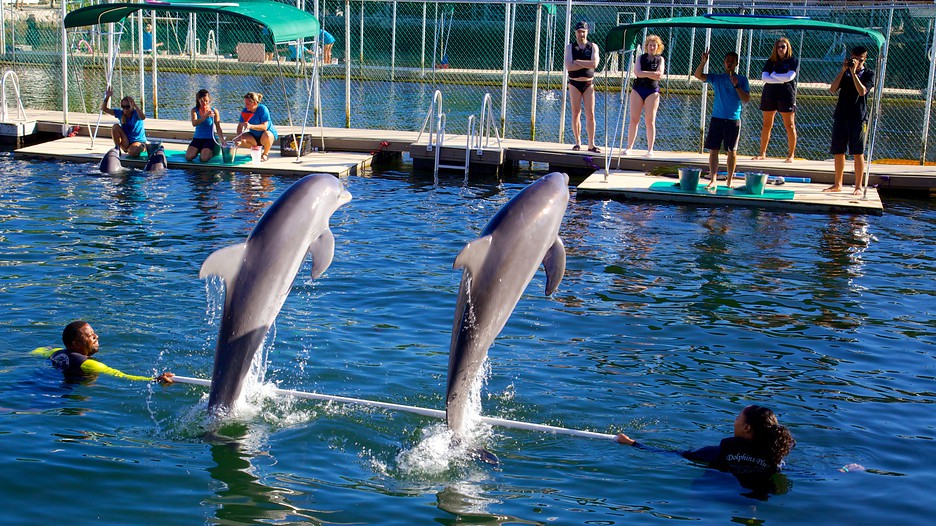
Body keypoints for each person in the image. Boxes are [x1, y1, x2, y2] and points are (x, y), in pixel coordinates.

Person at [617, 405, 796, 498]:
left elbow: (674, 454)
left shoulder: (719, 452)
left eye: (737, 417)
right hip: (757, 496)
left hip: (717, 494)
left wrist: (633, 443)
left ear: (747, 428)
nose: (735, 421)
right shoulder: (775, 458)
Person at [34, 321, 174, 384]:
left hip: (40, 382)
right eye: (90, 336)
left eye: (94, 334)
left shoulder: (56, 352)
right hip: (55, 394)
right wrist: (155, 380)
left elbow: (36, 351)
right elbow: (122, 376)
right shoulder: (88, 365)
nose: (96, 337)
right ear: (75, 344)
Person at [694, 49, 751, 189]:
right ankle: (713, 179)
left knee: (731, 151)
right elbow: (698, 75)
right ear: (724, 63)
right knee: (713, 150)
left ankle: (729, 180)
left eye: (732, 60)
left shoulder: (742, 80)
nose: (729, 62)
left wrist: (737, 85)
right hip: (717, 118)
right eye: (727, 60)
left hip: (733, 119)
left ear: (737, 63)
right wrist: (703, 62)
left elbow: (746, 99)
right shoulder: (717, 78)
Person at [824, 46, 875, 195]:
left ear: (864, 59)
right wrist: (843, 71)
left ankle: (858, 186)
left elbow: (862, 91)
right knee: (838, 151)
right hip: (841, 115)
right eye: (854, 58)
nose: (855, 61)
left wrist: (854, 74)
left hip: (858, 118)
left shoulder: (869, 74)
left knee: (857, 152)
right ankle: (837, 184)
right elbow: (833, 89)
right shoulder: (845, 72)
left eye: (859, 59)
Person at [754, 37, 798, 163]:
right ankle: (762, 153)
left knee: (789, 125)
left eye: (783, 46)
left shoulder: (792, 61)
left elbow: (790, 77)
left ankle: (791, 155)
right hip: (770, 94)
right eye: (778, 47)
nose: (780, 49)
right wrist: (780, 78)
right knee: (767, 125)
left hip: (786, 95)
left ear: (787, 47)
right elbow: (765, 78)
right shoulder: (770, 61)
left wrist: (774, 76)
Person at [624, 35, 665, 158]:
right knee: (634, 120)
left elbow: (659, 75)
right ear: (646, 46)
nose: (652, 47)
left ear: (658, 47)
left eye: (654, 45)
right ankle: (629, 147)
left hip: (652, 91)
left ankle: (650, 150)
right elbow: (637, 72)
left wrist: (645, 74)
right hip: (638, 89)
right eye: (650, 45)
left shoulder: (660, 59)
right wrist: (650, 74)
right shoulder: (640, 58)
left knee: (650, 121)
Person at [564, 21, 601, 153]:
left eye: (583, 31)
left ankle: (591, 144)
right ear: (575, 33)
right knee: (576, 113)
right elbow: (569, 66)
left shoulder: (593, 47)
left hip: (588, 83)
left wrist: (578, 62)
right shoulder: (570, 48)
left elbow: (594, 64)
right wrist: (586, 64)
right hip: (574, 83)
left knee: (590, 114)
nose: (581, 34)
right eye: (579, 31)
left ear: (587, 32)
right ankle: (578, 142)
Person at [101, 86, 147, 158]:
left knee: (132, 151)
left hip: (138, 142)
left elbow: (143, 117)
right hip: (126, 142)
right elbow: (104, 109)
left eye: (127, 106)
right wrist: (107, 97)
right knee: (115, 127)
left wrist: (135, 105)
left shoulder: (136, 113)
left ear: (131, 106)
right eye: (123, 106)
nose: (125, 109)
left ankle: (139, 148)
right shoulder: (120, 113)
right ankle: (117, 149)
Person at [235, 91, 277, 162]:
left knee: (267, 135)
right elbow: (239, 126)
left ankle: (265, 154)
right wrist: (239, 137)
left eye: (248, 104)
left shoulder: (262, 109)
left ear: (254, 103)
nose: (246, 106)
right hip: (254, 136)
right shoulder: (245, 111)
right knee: (239, 140)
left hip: (265, 135)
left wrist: (250, 126)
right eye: (245, 103)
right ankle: (256, 149)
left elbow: (265, 127)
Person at [186, 89, 225, 162]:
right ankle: (199, 150)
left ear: (209, 100)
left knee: (204, 158)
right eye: (202, 101)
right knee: (189, 157)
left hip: (209, 139)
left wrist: (222, 140)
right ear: (198, 100)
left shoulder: (214, 111)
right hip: (197, 138)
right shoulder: (194, 110)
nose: (204, 103)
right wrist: (205, 116)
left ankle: (209, 152)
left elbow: (218, 127)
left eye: (206, 101)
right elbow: (194, 123)